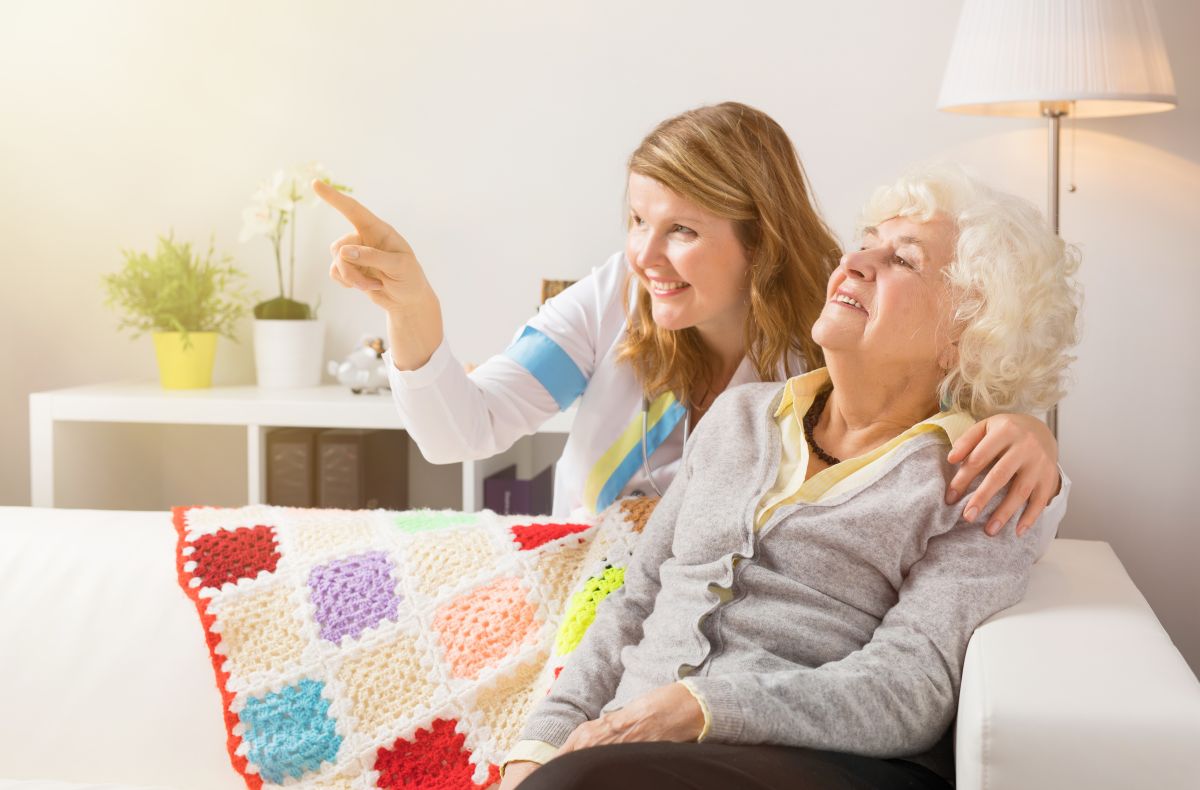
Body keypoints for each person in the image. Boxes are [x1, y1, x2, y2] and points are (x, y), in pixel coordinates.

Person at [497, 164, 1081, 790]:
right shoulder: (739, 417)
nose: (856, 261)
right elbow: (635, 603)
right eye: (867, 240)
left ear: (968, 333)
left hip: (824, 763)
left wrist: (703, 708)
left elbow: (910, 691)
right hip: (622, 758)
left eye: (903, 260)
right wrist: (539, 743)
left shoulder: (983, 479)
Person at [314, 101, 1066, 537]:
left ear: (758, 239)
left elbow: (945, 419)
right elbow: (462, 431)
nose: (646, 253)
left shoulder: (840, 332)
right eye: (638, 219)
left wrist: (1031, 431)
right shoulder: (618, 295)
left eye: (682, 230)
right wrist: (414, 308)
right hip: (581, 575)